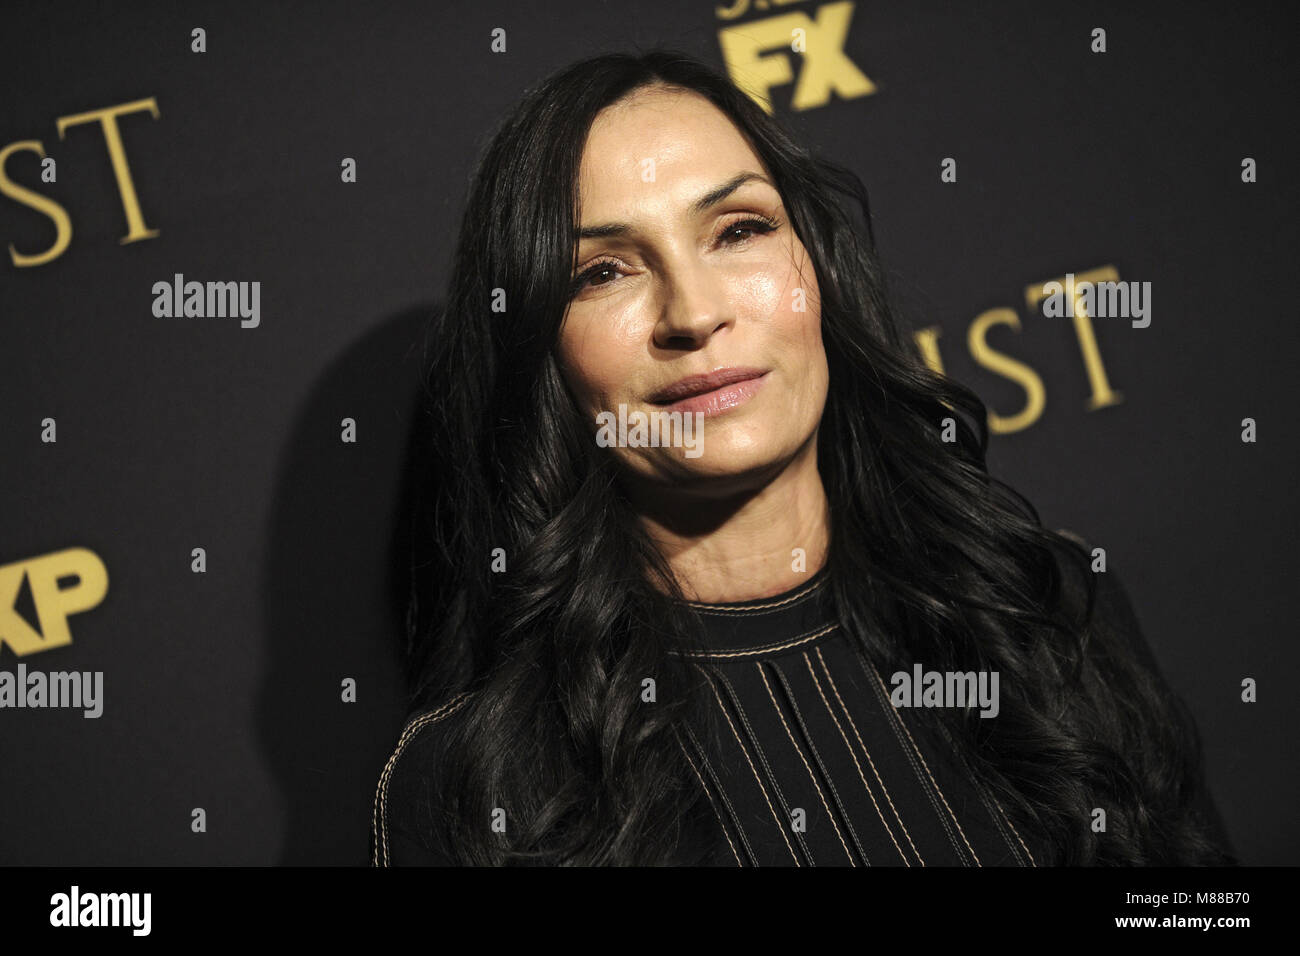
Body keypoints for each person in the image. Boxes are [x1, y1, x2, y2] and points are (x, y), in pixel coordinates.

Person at [372, 49, 1235, 867]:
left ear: (816, 267)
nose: (695, 312)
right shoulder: (477, 781)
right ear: (541, 354)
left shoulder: (1045, 616)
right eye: (603, 272)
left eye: (738, 229)